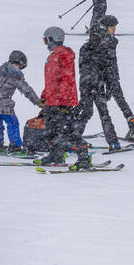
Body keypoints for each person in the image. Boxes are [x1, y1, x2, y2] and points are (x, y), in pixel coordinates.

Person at [38, 26, 90, 169]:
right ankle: (56, 155)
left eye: (45, 40)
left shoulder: (64, 55)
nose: (45, 44)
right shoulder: (52, 56)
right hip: (52, 100)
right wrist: (44, 97)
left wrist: (63, 101)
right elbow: (51, 81)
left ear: (53, 39)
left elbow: (67, 79)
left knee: (69, 132)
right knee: (51, 131)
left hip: (62, 102)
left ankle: (84, 157)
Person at [75, 14, 129, 151]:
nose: (114, 30)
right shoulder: (106, 46)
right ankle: (113, 142)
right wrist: (109, 85)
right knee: (102, 112)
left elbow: (84, 67)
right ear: (105, 28)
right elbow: (109, 68)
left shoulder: (88, 46)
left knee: (87, 112)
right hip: (95, 84)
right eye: (112, 27)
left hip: (87, 84)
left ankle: (74, 138)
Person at [0, 49, 41, 155]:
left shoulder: (0, 69)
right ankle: (15, 146)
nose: (21, 69)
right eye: (22, 66)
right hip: (2, 103)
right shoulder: (15, 74)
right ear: (19, 63)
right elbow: (26, 90)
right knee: (13, 123)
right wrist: (38, 102)